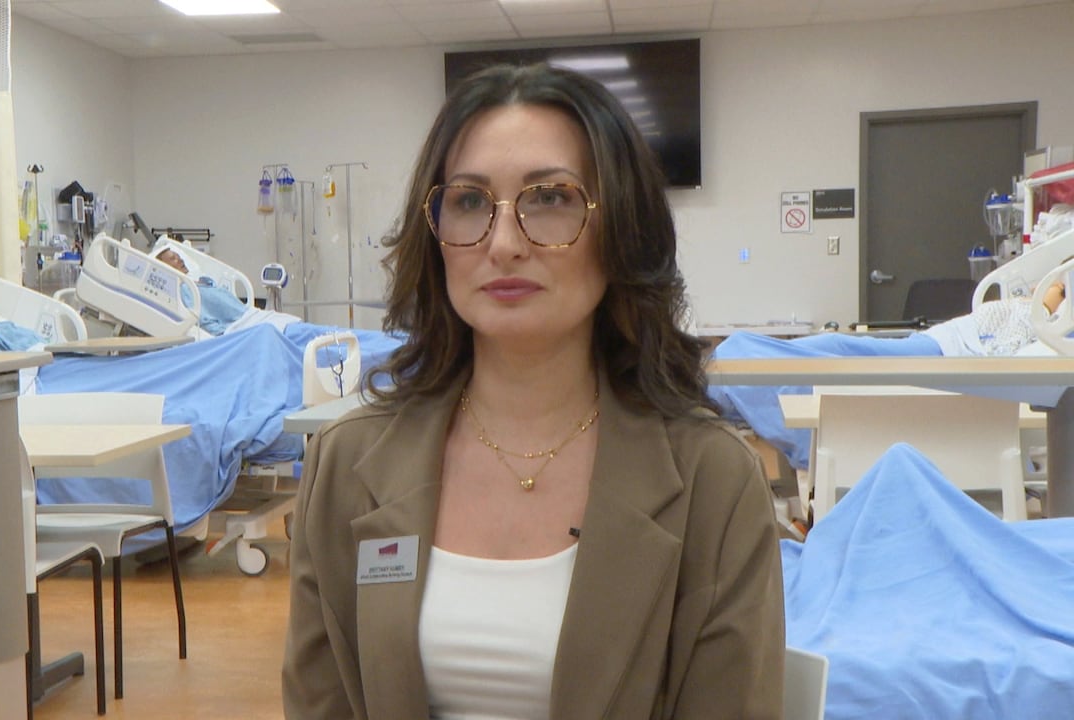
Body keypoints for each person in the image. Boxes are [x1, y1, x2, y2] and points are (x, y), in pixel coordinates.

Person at [282, 64, 784, 719]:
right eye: (468, 201)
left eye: (550, 198)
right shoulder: (344, 466)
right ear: (434, 238)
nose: (505, 243)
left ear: (620, 228)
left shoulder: (713, 483)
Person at [710, 284, 1067, 471]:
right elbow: (1046, 299)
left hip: (950, 350)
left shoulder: (1055, 322)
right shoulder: (1046, 304)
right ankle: (717, 380)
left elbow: (1047, 304)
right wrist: (1046, 295)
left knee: (835, 351)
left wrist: (1049, 298)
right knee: (833, 348)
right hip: (948, 341)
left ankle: (716, 382)